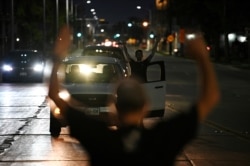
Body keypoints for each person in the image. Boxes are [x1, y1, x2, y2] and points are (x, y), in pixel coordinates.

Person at [48, 25, 220, 166]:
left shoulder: (99, 138)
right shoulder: (163, 139)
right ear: (146, 105)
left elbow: (54, 95)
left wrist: (57, 57)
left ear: (114, 106)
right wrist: (202, 57)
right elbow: (210, 97)